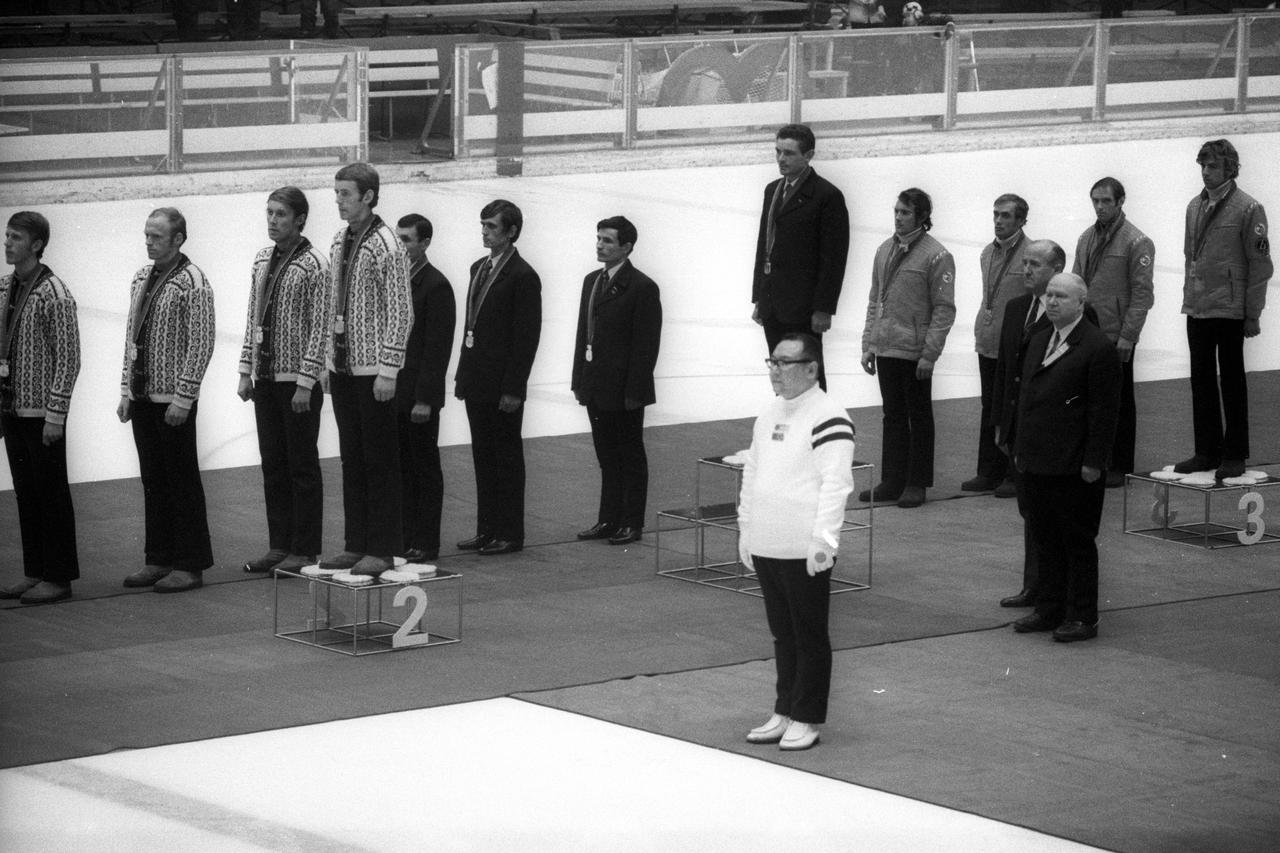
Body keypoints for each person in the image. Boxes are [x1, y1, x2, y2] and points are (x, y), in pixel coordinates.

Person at [738, 333, 855, 752]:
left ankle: (807, 716)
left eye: (786, 363)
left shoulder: (829, 416)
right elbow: (752, 473)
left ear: (811, 368)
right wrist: (746, 529)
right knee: (782, 634)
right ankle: (784, 708)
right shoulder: (770, 413)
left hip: (803, 547)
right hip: (768, 542)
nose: (776, 370)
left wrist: (824, 542)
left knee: (808, 635)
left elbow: (836, 484)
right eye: (772, 362)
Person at [1010, 274, 1120, 643]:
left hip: (1075, 464)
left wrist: (1094, 460)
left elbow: (1104, 413)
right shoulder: (1040, 340)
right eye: (1049, 296)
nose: (1052, 302)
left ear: (1080, 303)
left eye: (1061, 296)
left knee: (1076, 541)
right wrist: (1020, 450)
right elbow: (1027, 399)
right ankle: (1049, 607)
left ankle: (1082, 616)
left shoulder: (1096, 347)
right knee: (1045, 538)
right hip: (1037, 461)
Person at [319, 163, 413, 576]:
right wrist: (327, 360)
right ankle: (356, 542)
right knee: (352, 460)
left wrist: (389, 370)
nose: (338, 200)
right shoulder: (340, 239)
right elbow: (330, 306)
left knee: (379, 461)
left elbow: (401, 311)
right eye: (337, 192)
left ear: (369, 196)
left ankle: (384, 547)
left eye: (345, 193)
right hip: (343, 367)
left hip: (374, 370)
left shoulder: (387, 245)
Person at [992, 240, 1096, 609]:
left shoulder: (1083, 320)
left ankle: (1056, 592)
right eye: (1025, 263)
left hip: (1059, 439)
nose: (1027, 270)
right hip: (1024, 432)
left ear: (1057, 268)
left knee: (1057, 522)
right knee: (1030, 513)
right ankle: (1035, 587)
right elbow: (1006, 372)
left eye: (1036, 264)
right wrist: (1002, 424)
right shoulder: (1016, 307)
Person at [117, 208, 215, 593]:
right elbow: (131, 336)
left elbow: (202, 342)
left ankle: (190, 564)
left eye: (157, 236)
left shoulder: (193, 281)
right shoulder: (141, 277)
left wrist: (184, 396)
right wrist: (126, 389)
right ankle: (158, 557)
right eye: (146, 235)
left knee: (182, 480)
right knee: (153, 480)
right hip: (143, 394)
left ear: (178, 239)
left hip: (174, 400)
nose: (149, 242)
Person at [237, 187, 330, 576]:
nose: (273, 220)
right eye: (269, 213)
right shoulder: (262, 260)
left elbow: (319, 328)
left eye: (281, 214)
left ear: (300, 220)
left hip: (298, 384)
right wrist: (246, 369)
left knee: (302, 467)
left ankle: (305, 549)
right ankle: (280, 545)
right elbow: (251, 317)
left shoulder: (314, 265)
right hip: (267, 378)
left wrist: (306, 382)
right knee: (273, 465)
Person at [1177, 139, 1272, 480]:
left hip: (1230, 310)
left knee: (1231, 381)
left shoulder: (1248, 208)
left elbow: (1260, 265)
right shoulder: (1193, 206)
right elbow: (1191, 256)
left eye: (1213, 166)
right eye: (1203, 165)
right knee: (1200, 380)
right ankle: (1206, 450)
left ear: (1230, 169)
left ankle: (1234, 453)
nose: (1206, 172)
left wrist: (1252, 314)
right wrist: (1189, 298)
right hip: (1199, 307)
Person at [0, 212, 81, 605]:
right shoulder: (4, 288)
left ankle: (59, 576)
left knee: (50, 495)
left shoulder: (54, 293)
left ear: (36, 245)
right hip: (13, 410)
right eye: (6, 235)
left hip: (42, 415)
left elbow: (69, 358)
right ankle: (35, 570)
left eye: (16, 237)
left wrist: (56, 413)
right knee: (26, 495)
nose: (7, 243)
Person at [454, 199, 542, 556]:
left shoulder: (523, 275)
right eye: (483, 225)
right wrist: (463, 375)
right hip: (477, 380)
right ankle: (487, 527)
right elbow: (470, 325)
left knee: (505, 458)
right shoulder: (478, 267)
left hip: (503, 384)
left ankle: (509, 531)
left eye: (492, 226)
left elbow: (526, 339)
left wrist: (514, 388)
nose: (485, 232)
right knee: (482, 456)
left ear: (512, 231)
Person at [859, 187, 955, 508]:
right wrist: (869, 344)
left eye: (905, 212)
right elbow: (875, 300)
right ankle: (892, 479)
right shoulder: (885, 250)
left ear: (922, 217)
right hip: (887, 347)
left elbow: (944, 310)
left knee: (919, 416)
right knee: (893, 415)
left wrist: (930, 353)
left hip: (915, 352)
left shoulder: (937, 256)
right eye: (896, 211)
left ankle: (917, 482)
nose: (898, 217)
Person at [572, 216, 662, 546]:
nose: (600, 245)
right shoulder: (591, 281)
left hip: (624, 387)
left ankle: (631, 521)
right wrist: (579, 379)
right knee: (606, 456)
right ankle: (608, 518)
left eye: (608, 241)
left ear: (626, 247)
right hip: (596, 382)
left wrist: (635, 391)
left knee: (629, 455)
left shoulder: (642, 287)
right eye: (599, 238)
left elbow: (646, 345)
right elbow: (584, 334)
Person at [751, 123, 850, 391]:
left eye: (789, 153)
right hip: (773, 301)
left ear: (808, 156)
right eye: (778, 151)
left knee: (808, 375)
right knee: (781, 374)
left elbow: (833, 258)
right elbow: (765, 245)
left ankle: (817, 427)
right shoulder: (773, 190)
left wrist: (824, 308)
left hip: (804, 306)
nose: (781, 159)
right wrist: (760, 295)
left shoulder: (826, 196)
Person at [1072, 176, 1154, 488]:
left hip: (1116, 334)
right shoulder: (1086, 237)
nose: (1100, 206)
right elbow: (1077, 281)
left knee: (1120, 401)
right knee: (1088, 399)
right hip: (1088, 332)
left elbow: (1142, 294)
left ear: (1120, 202)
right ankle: (1093, 459)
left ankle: (1120, 463)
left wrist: (1129, 335)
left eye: (1106, 201)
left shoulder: (1136, 241)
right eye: (1096, 200)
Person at [395, 213, 456, 563]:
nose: (401, 246)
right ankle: (405, 535)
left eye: (407, 240)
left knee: (423, 468)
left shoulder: (435, 285)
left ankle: (426, 540)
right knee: (402, 468)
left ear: (425, 243)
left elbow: (437, 349)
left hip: (418, 396)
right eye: (399, 238)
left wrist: (425, 399)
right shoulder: (397, 281)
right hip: (394, 392)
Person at [963, 193, 1030, 495]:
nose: (999, 221)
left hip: (1016, 343)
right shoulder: (987, 254)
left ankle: (1015, 473)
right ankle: (988, 471)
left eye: (1006, 216)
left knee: (1012, 407)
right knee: (989, 405)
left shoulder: (1031, 254)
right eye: (996, 215)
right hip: (989, 339)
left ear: (1021, 221)